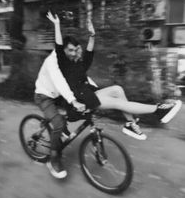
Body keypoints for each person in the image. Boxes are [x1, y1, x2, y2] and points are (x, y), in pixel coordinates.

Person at [35, 11, 182, 179]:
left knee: (117, 90)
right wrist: (56, 25)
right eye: (70, 50)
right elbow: (59, 47)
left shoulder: (80, 64)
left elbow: (89, 52)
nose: (73, 53)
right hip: (78, 101)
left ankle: (130, 124)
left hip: (88, 95)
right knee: (117, 103)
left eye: (75, 50)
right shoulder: (62, 64)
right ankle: (158, 110)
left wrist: (92, 35)